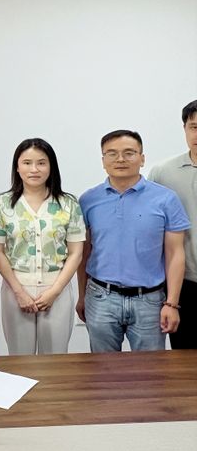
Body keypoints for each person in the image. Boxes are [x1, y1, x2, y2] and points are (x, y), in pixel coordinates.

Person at [77, 130, 189, 352]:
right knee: (103, 368)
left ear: (142, 158)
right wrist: (82, 296)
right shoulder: (88, 200)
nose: (120, 159)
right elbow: (83, 253)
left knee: (150, 369)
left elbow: (175, 253)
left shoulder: (166, 199)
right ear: (103, 160)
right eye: (112, 153)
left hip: (149, 300)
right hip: (100, 298)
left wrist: (172, 303)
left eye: (129, 153)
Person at [0, 138, 85, 355]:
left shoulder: (68, 204)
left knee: (55, 358)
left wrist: (54, 292)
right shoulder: (2, 204)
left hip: (57, 288)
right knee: (19, 357)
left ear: (51, 167)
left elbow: (76, 253)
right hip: (16, 289)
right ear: (17, 167)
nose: (34, 169)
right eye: (27, 163)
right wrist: (19, 292)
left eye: (41, 163)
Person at [149, 100, 197, 349]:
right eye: (194, 127)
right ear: (185, 129)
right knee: (184, 358)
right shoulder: (163, 173)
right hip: (182, 283)